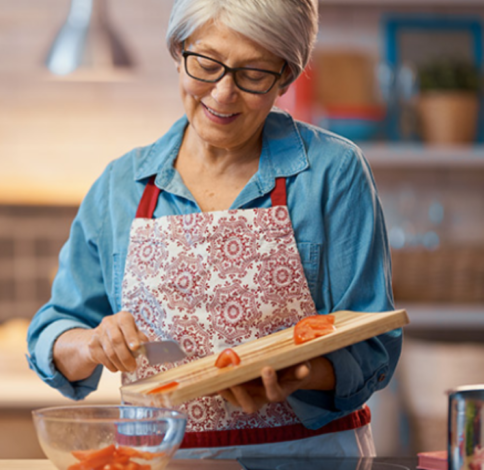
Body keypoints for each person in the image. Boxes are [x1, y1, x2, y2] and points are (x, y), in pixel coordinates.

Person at [26, 0, 402, 459]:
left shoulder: (332, 173)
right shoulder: (121, 186)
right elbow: (53, 332)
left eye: (254, 74)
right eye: (205, 64)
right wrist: (90, 342)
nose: (223, 94)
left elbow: (374, 343)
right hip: (157, 461)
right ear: (178, 50)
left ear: (286, 75)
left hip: (308, 457)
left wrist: (302, 373)